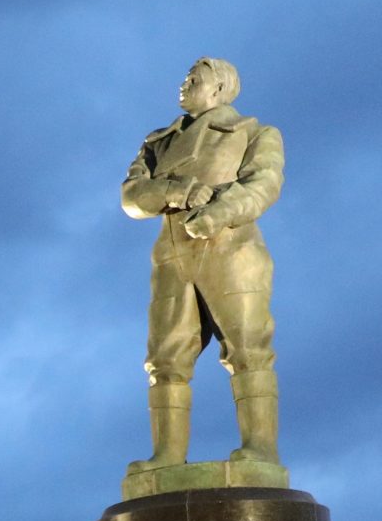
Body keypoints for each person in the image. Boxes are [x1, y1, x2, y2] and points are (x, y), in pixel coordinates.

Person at [121, 58, 285, 472]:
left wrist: (218, 212)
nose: (184, 83)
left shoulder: (252, 132)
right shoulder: (157, 143)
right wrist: (177, 191)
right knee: (165, 360)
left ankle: (260, 451)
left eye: (194, 79)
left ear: (220, 88)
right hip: (173, 257)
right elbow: (132, 196)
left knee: (249, 349)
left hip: (231, 250)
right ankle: (167, 457)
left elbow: (263, 184)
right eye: (185, 77)